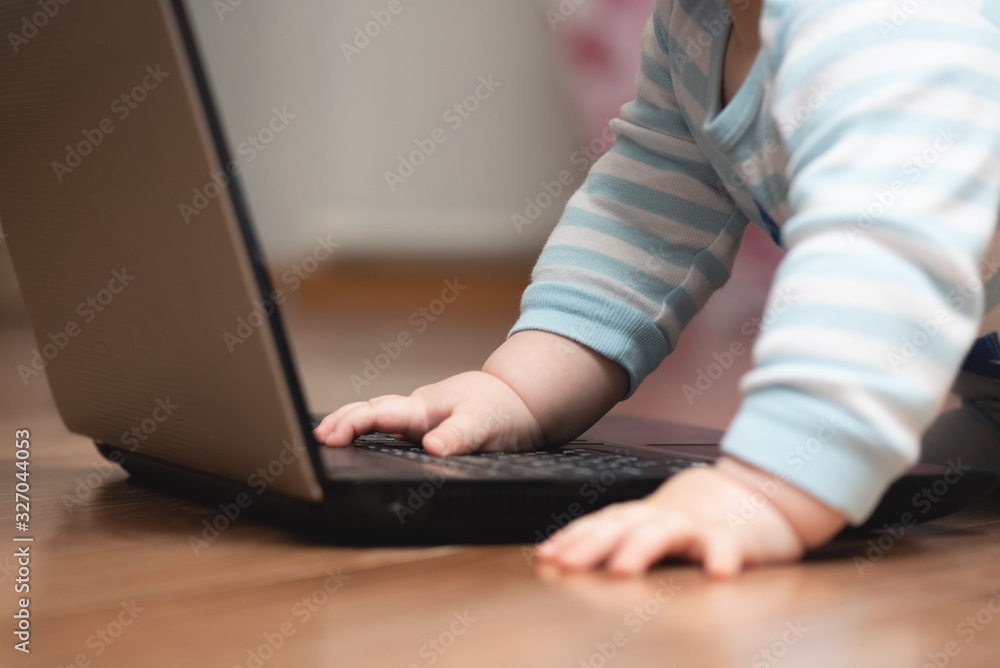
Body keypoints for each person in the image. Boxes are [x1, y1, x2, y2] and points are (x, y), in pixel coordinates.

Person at [315, 0, 1000, 578]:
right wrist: (519, 388)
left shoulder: (891, 22)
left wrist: (767, 487)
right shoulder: (697, 26)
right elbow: (644, 217)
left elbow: (881, 254)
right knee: (927, 485)